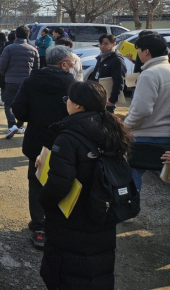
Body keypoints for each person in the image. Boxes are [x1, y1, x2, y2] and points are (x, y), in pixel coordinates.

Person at [39, 81, 131, 290]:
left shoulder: (68, 136)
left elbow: (60, 183)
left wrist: (44, 201)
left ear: (78, 105)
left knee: (67, 271)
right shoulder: (112, 127)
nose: (67, 103)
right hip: (102, 210)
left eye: (68, 99)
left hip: (73, 217)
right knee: (97, 267)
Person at [11, 45, 75, 248]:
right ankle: (57, 224)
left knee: (37, 181)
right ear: (64, 64)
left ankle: (39, 226)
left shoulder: (31, 80)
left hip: (37, 139)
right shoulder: (71, 83)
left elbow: (18, 108)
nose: (72, 67)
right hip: (64, 140)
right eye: (72, 63)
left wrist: (33, 119)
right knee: (64, 180)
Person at [123, 33, 170, 192]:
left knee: (133, 173)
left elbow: (141, 111)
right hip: (166, 135)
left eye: (139, 50)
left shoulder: (149, 74)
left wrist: (126, 126)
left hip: (145, 134)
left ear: (146, 52)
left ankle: (130, 207)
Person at [0, 25, 39, 139]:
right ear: (28, 35)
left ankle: (12, 125)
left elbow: (2, 66)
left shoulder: (9, 49)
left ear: (16, 35)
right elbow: (36, 68)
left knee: (8, 104)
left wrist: (6, 74)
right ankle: (19, 124)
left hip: (10, 81)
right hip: (26, 81)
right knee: (25, 104)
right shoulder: (33, 50)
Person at [87, 34, 126, 114]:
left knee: (107, 122)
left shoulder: (117, 60)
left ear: (114, 44)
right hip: (97, 95)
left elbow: (119, 81)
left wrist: (112, 100)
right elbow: (95, 75)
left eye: (106, 44)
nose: (102, 46)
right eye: (101, 44)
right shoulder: (101, 57)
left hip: (107, 98)